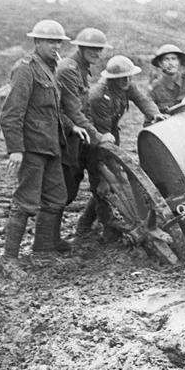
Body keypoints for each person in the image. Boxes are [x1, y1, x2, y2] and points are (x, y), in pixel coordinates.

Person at [0, 20, 90, 270]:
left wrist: (72, 126)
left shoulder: (50, 69)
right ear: (37, 42)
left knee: (56, 197)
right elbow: (11, 113)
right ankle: (9, 259)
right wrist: (16, 149)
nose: (56, 46)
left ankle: (43, 253)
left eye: (59, 42)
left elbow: (53, 110)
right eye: (50, 41)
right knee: (26, 201)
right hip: (32, 147)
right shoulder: (25, 69)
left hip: (51, 146)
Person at [76, 55, 166, 236]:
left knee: (111, 180)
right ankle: (106, 225)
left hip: (110, 134)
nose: (127, 81)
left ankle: (86, 222)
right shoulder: (99, 96)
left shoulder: (127, 84)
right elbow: (101, 135)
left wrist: (155, 114)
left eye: (129, 77)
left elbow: (143, 100)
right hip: (93, 140)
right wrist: (107, 151)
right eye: (122, 78)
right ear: (112, 79)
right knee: (102, 181)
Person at [56, 27, 114, 250]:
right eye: (91, 48)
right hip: (67, 137)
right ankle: (48, 241)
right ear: (80, 47)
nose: (96, 53)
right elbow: (74, 111)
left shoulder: (81, 69)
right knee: (65, 189)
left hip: (80, 136)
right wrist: (98, 137)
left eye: (99, 49)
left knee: (90, 181)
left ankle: (89, 230)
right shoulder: (68, 70)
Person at [148, 44, 185, 113]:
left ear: (179, 62)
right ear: (160, 64)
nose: (171, 63)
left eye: (174, 59)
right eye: (166, 59)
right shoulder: (155, 89)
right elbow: (150, 117)